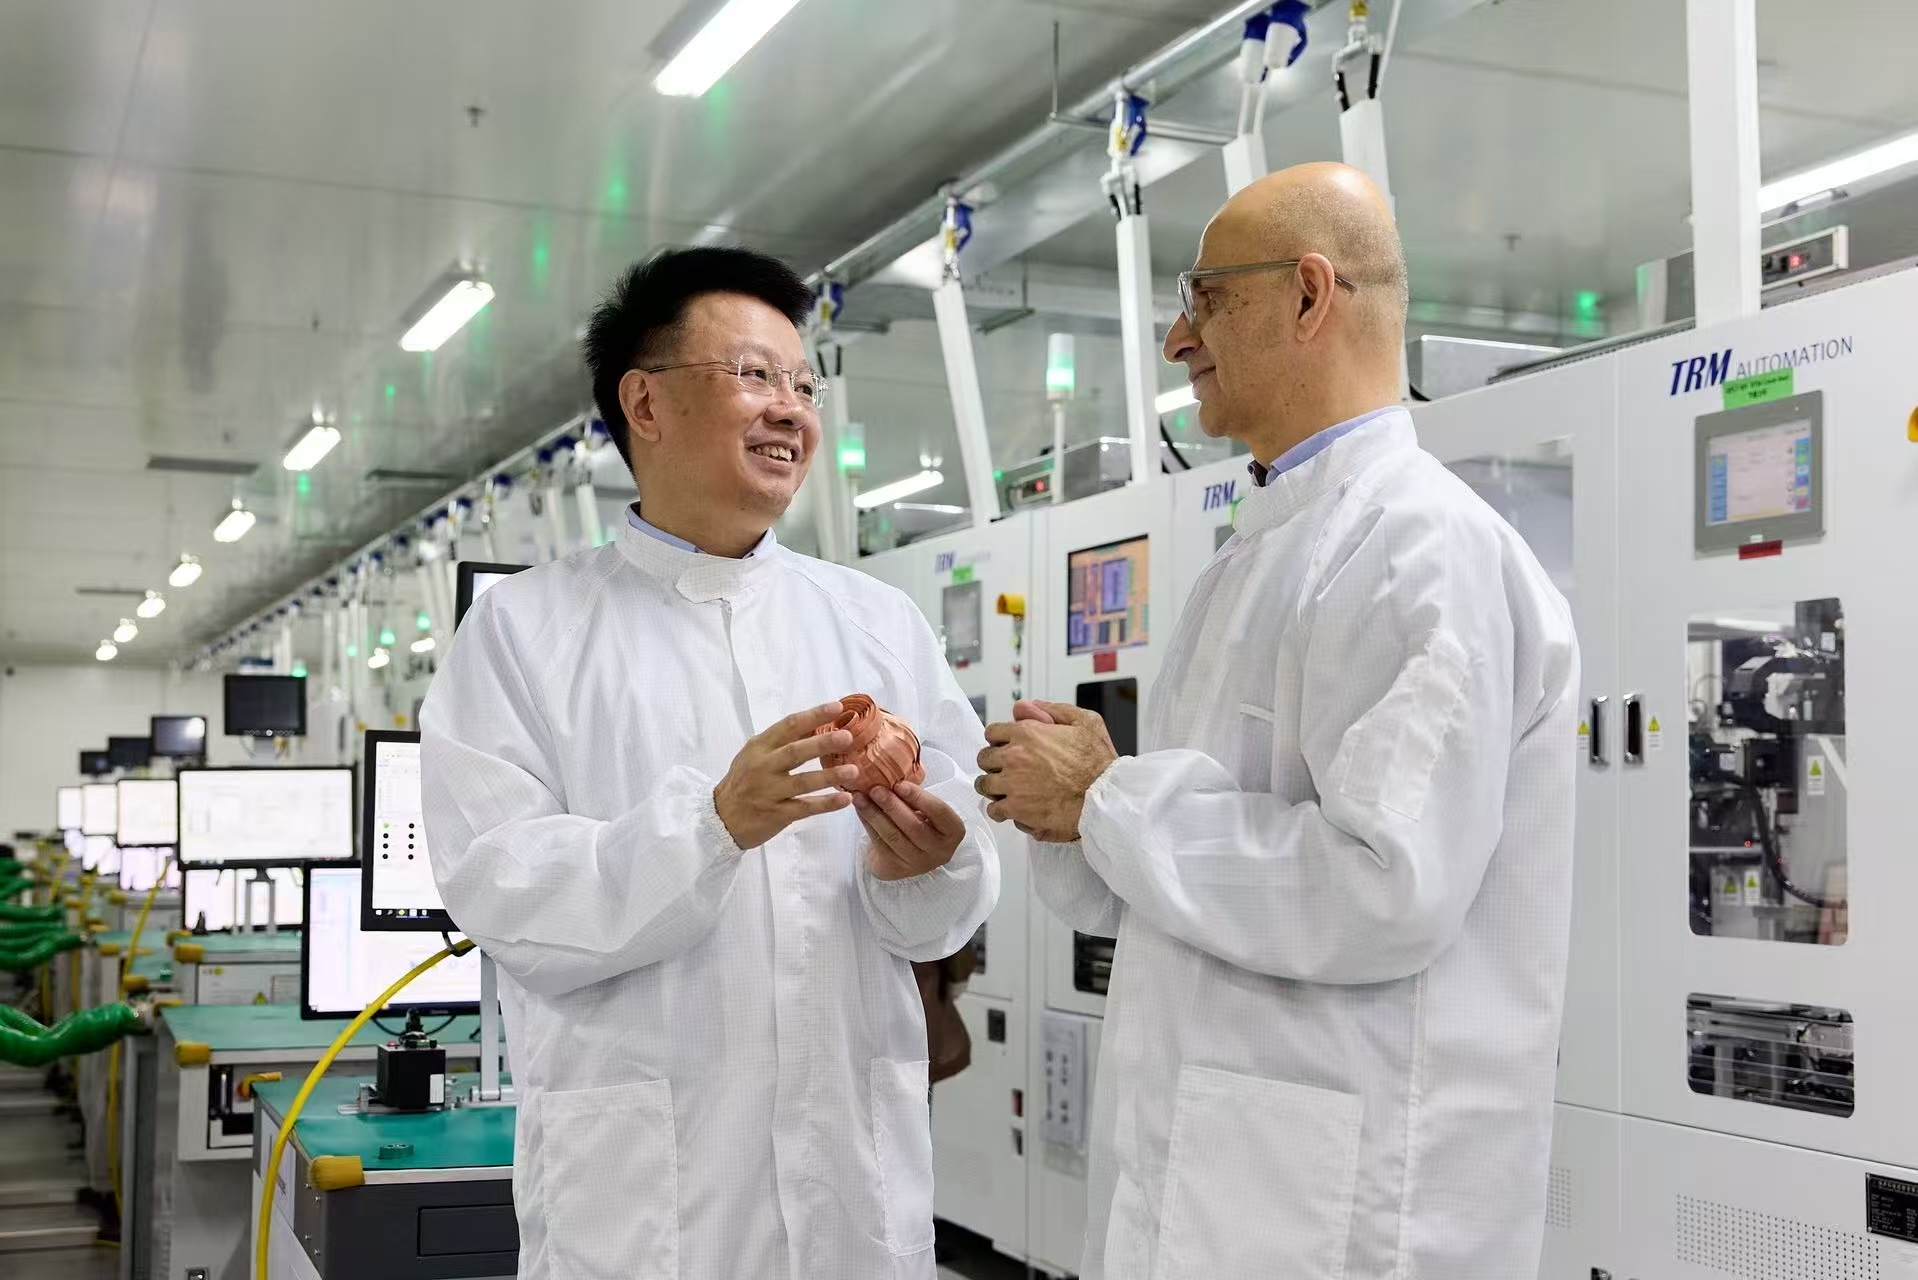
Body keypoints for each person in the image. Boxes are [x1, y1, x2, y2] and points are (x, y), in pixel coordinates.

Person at [975, 162, 1580, 1279]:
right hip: (1225, 1173)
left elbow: (1383, 885)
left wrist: (1106, 796)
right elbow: (1177, 879)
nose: (1178, 340)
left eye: (1205, 299)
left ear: (1309, 295)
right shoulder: (1258, 553)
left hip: (1351, 1202)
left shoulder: (1418, 549)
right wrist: (1067, 808)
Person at [421, 246, 1000, 1280]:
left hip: (853, 1200)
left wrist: (925, 864)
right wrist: (712, 825)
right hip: (648, 1211)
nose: (789, 410)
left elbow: (949, 894)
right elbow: (501, 888)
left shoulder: (877, 623)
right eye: (753, 375)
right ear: (644, 401)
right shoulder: (524, 631)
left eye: (804, 385)